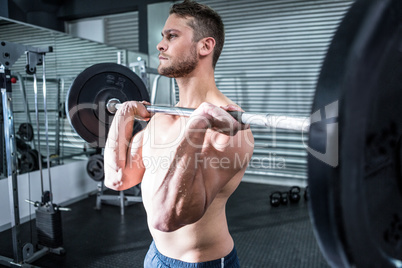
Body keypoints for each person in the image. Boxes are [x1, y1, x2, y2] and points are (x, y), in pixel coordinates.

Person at [104, 0, 254, 267]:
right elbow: (118, 179)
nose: (160, 45)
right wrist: (122, 117)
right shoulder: (162, 116)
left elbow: (168, 217)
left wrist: (197, 127)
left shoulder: (229, 128)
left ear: (205, 46)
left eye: (171, 36)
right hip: (155, 256)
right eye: (163, 36)